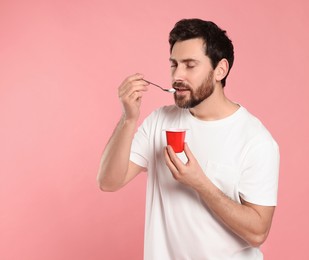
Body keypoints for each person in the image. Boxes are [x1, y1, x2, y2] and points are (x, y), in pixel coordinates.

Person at [97, 18, 280, 260]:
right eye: (174, 65)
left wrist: (200, 183)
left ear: (220, 70)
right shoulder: (159, 121)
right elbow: (109, 181)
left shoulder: (256, 141)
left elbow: (258, 233)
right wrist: (128, 119)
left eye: (190, 65)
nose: (177, 75)